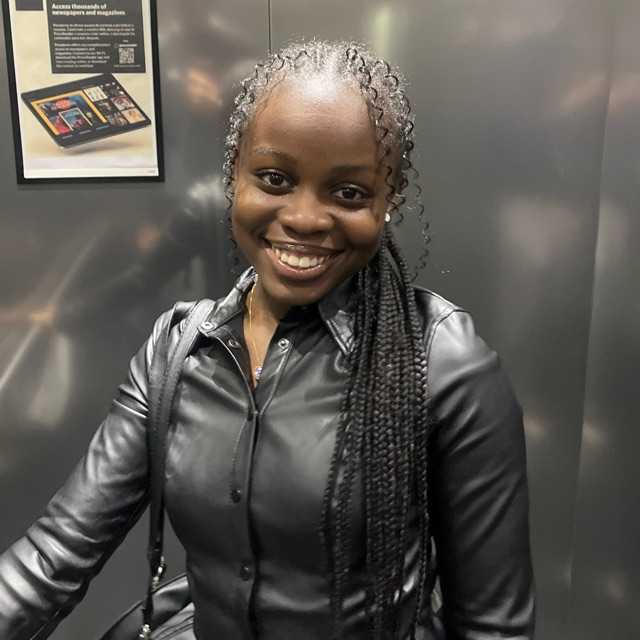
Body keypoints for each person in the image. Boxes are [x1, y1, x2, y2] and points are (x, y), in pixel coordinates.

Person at [0, 40, 535, 639]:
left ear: (388, 203)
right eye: (275, 179)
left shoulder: (442, 365)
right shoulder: (177, 352)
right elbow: (53, 556)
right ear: (235, 176)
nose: (304, 217)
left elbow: (493, 628)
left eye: (349, 192)